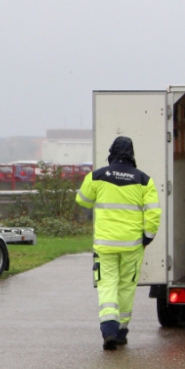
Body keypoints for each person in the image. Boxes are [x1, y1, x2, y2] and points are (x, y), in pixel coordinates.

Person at [75, 136, 161, 351]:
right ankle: (121, 332)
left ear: (112, 152)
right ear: (132, 154)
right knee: (126, 287)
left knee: (107, 285)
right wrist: (147, 237)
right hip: (132, 246)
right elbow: (153, 212)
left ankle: (109, 330)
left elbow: (82, 200)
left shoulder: (98, 176)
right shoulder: (143, 180)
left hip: (105, 245)